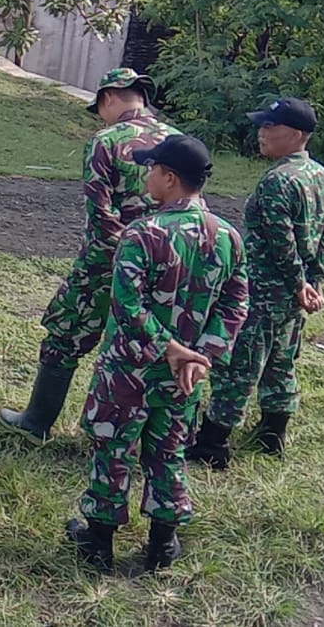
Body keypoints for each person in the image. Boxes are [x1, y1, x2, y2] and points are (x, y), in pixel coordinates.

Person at [66, 134, 248, 572]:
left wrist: (170, 349)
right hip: (182, 378)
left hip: (129, 369)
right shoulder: (227, 237)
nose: (145, 175)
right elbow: (236, 303)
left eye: (151, 169)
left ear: (169, 178)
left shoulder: (143, 233)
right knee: (169, 450)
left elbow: (127, 304)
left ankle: (98, 542)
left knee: (112, 448)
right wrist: (200, 356)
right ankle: (163, 545)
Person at [0, 67, 180, 440]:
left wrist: (113, 264)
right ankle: (148, 435)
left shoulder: (106, 141)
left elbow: (101, 217)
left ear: (109, 97)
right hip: (167, 264)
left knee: (64, 332)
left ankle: (36, 422)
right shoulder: (178, 141)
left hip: (108, 260)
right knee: (150, 342)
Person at [188, 98, 324, 466]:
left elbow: (280, 241)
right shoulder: (323, 177)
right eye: (263, 125)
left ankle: (213, 445)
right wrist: (312, 284)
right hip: (293, 295)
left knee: (240, 365)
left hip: (263, 290)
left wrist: (300, 281)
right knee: (281, 361)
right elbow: (323, 237)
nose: (262, 132)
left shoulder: (278, 181)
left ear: (297, 135)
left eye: (271, 127)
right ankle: (272, 435)